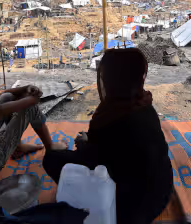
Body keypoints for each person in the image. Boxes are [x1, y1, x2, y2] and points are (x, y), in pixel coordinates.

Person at [43, 49, 173, 224]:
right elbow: (119, 150)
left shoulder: (110, 118)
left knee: (51, 159)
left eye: (104, 78)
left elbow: (97, 162)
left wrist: (85, 144)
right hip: (160, 193)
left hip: (127, 209)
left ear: (112, 81)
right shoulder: (143, 104)